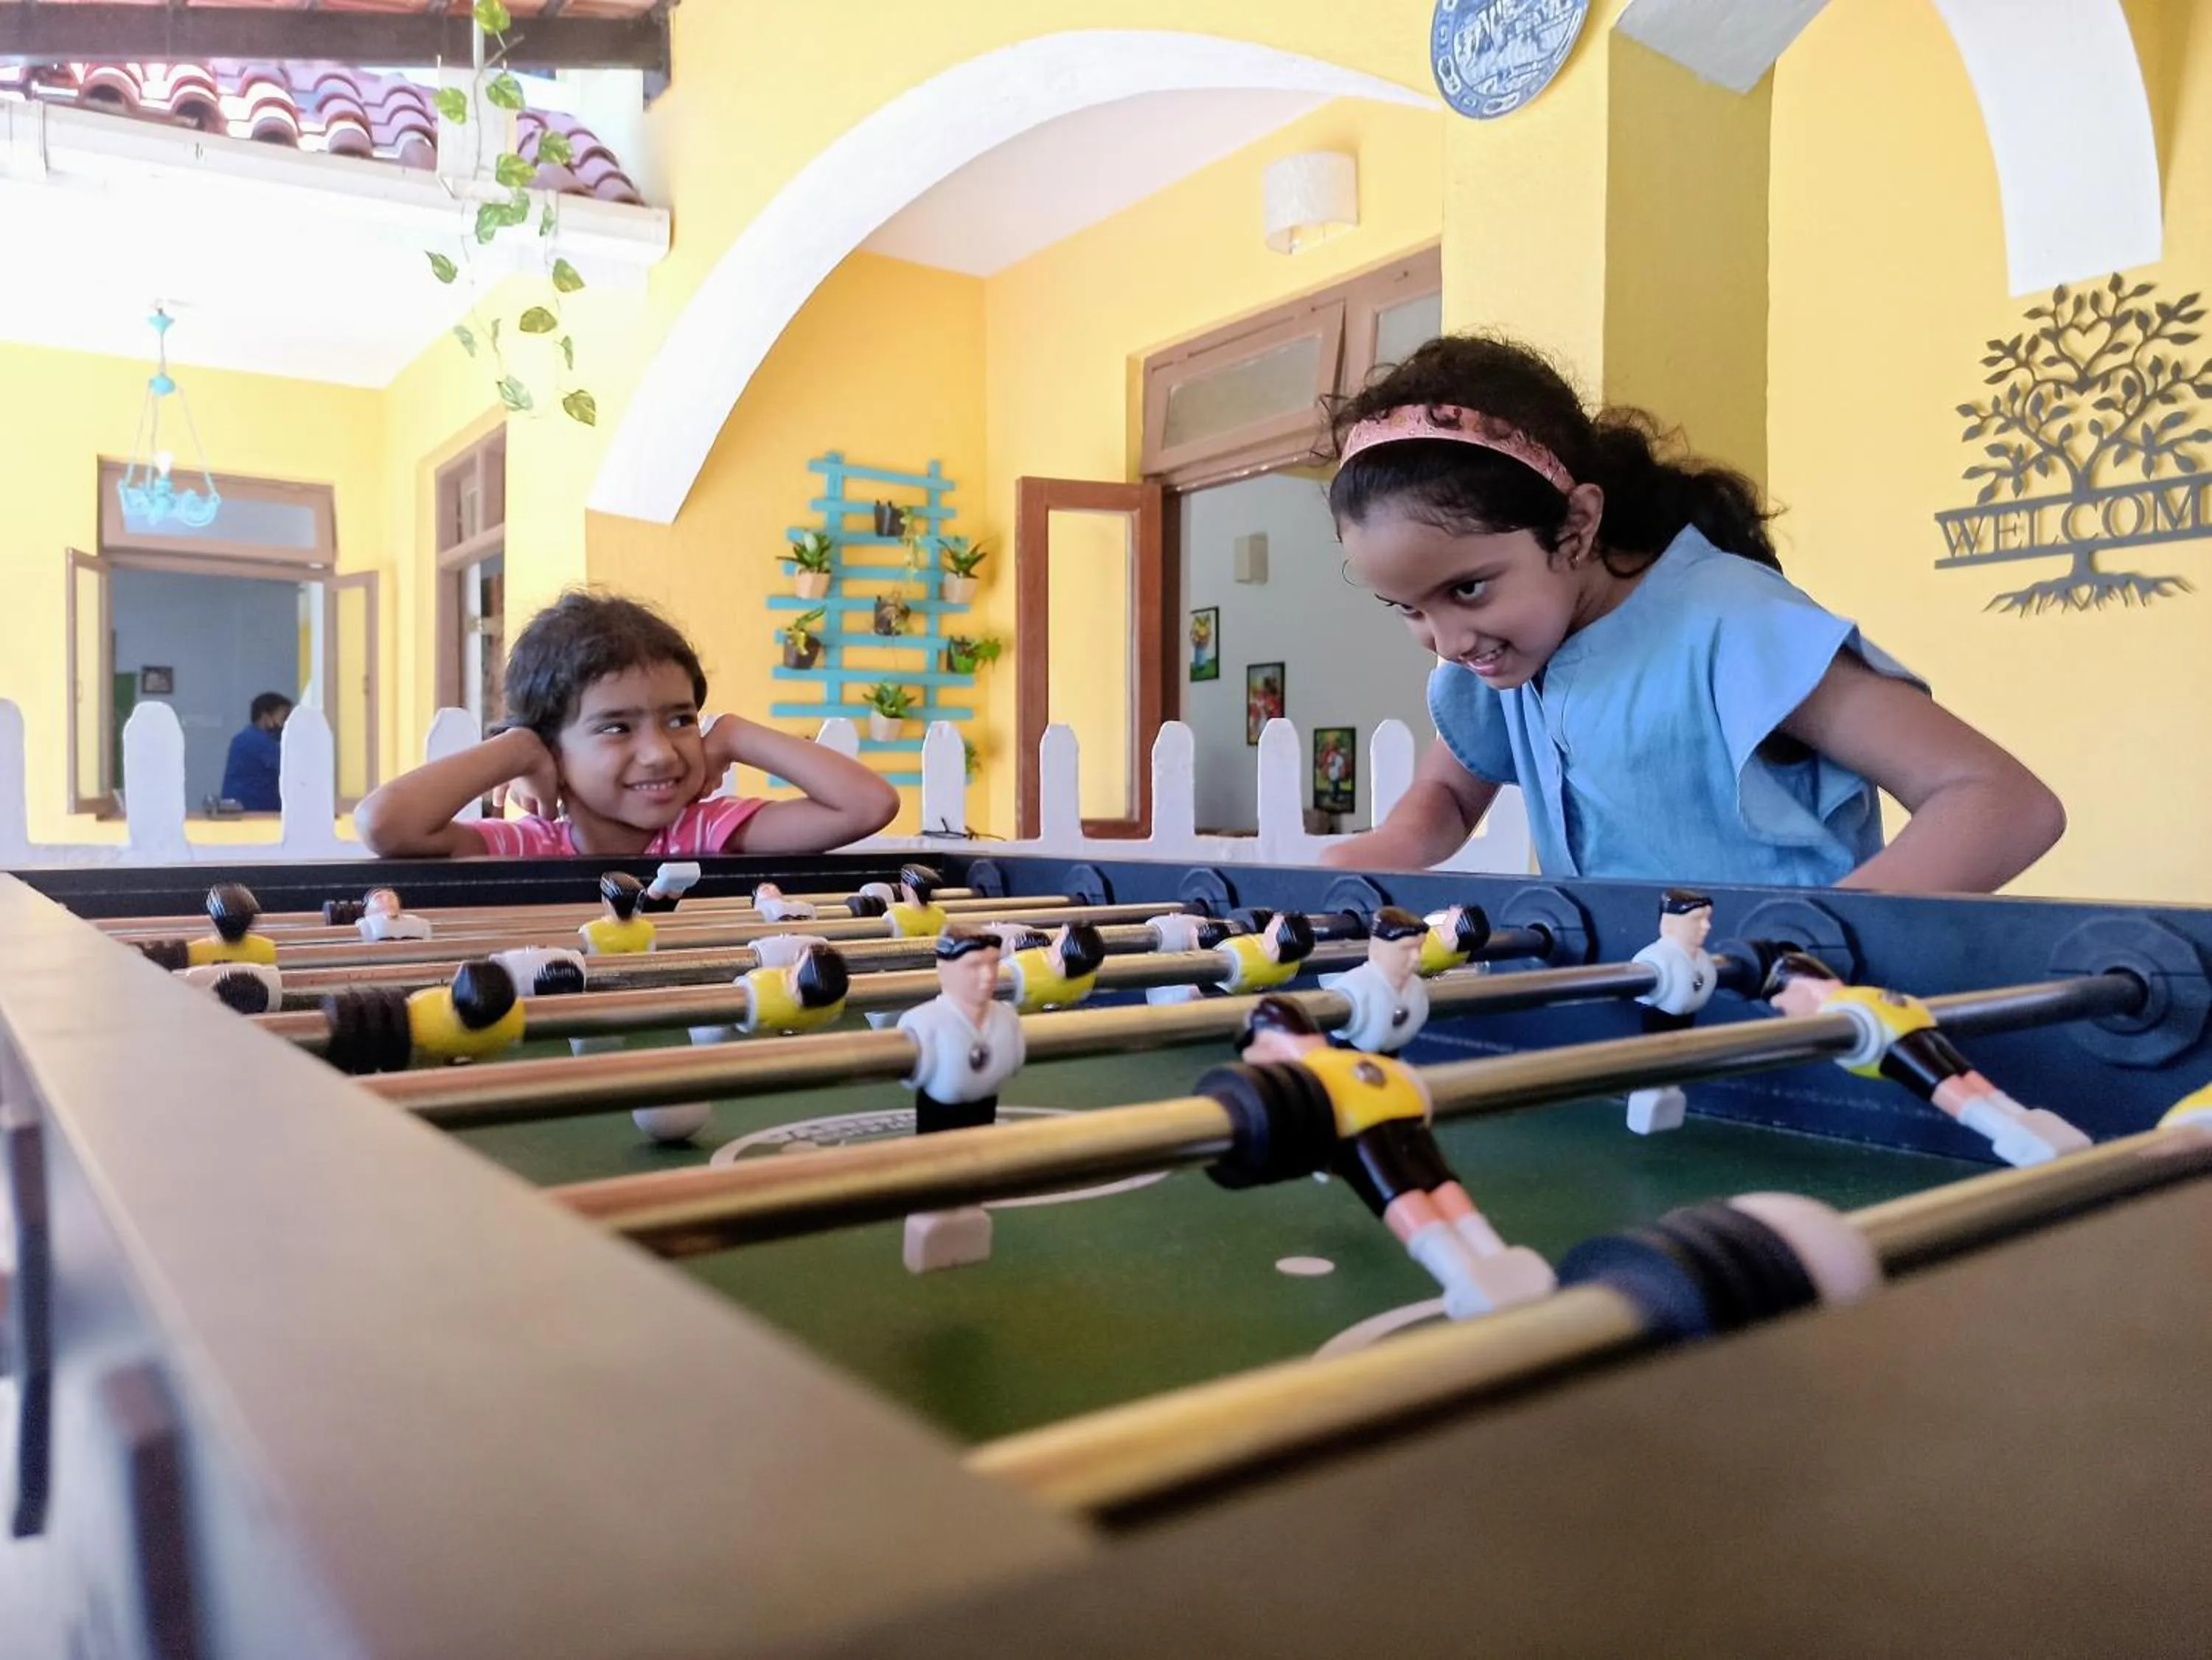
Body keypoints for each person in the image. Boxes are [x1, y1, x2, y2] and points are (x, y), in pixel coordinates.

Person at [1318, 335, 2065, 892]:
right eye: (1408, 608)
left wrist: (1821, 942)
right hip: (1625, 1018)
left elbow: (2002, 799)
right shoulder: (1506, 654)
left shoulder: (1730, 623)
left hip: (1782, 1024)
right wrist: (1373, 853)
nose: (1448, 641)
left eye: (1468, 589)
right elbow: (1449, 795)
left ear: (1575, 526)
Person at [354, 590, 900, 857]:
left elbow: (868, 806)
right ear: (554, 751)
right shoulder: (527, 847)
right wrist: (518, 748)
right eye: (617, 727)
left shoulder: (707, 833)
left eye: (680, 719)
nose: (660, 752)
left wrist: (733, 734)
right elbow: (383, 824)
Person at [220, 692, 291, 812]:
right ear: (266, 717)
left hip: (250, 811)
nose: (286, 724)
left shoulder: (245, 738)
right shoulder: (257, 741)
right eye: (284, 718)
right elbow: (290, 769)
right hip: (254, 813)